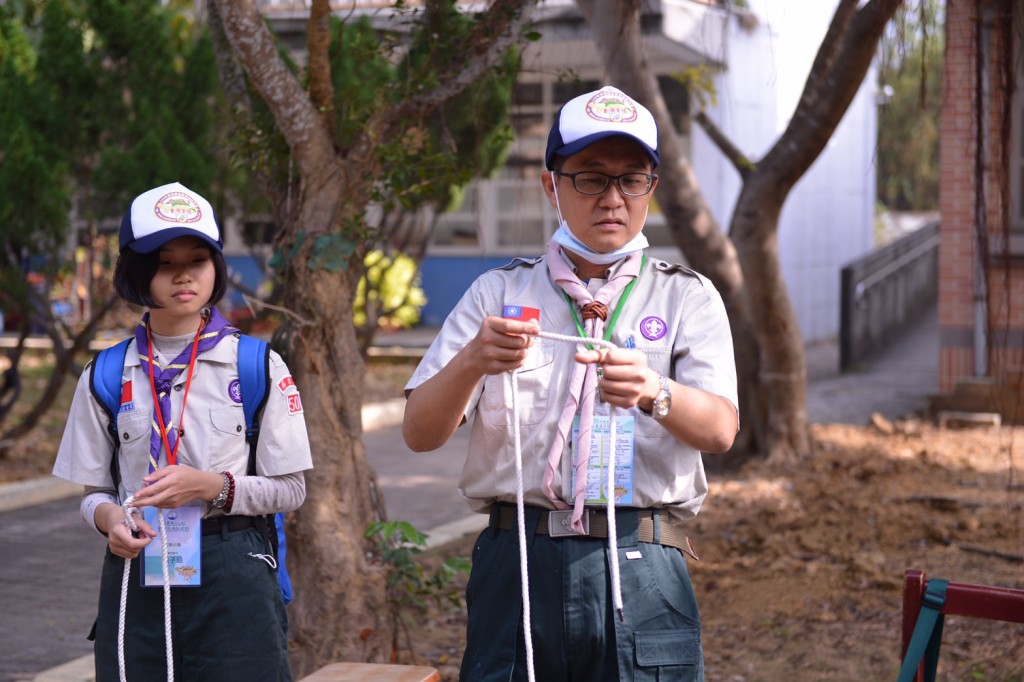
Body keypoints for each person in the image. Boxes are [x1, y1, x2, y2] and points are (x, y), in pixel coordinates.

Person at [403, 86, 738, 681]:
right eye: (589, 178)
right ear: (550, 184)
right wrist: (471, 362)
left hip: (643, 561)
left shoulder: (686, 295)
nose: (612, 198)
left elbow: (720, 430)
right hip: (519, 559)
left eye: (631, 179)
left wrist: (655, 391)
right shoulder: (498, 295)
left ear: (651, 189)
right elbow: (420, 433)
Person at [53, 182, 312, 681]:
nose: (183, 275)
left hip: (235, 573)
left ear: (216, 267)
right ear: (137, 271)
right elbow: (94, 495)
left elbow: (292, 489)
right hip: (139, 569)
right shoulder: (106, 374)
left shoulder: (256, 365)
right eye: (164, 261)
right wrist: (111, 522)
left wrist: (214, 486)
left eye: (198, 259)